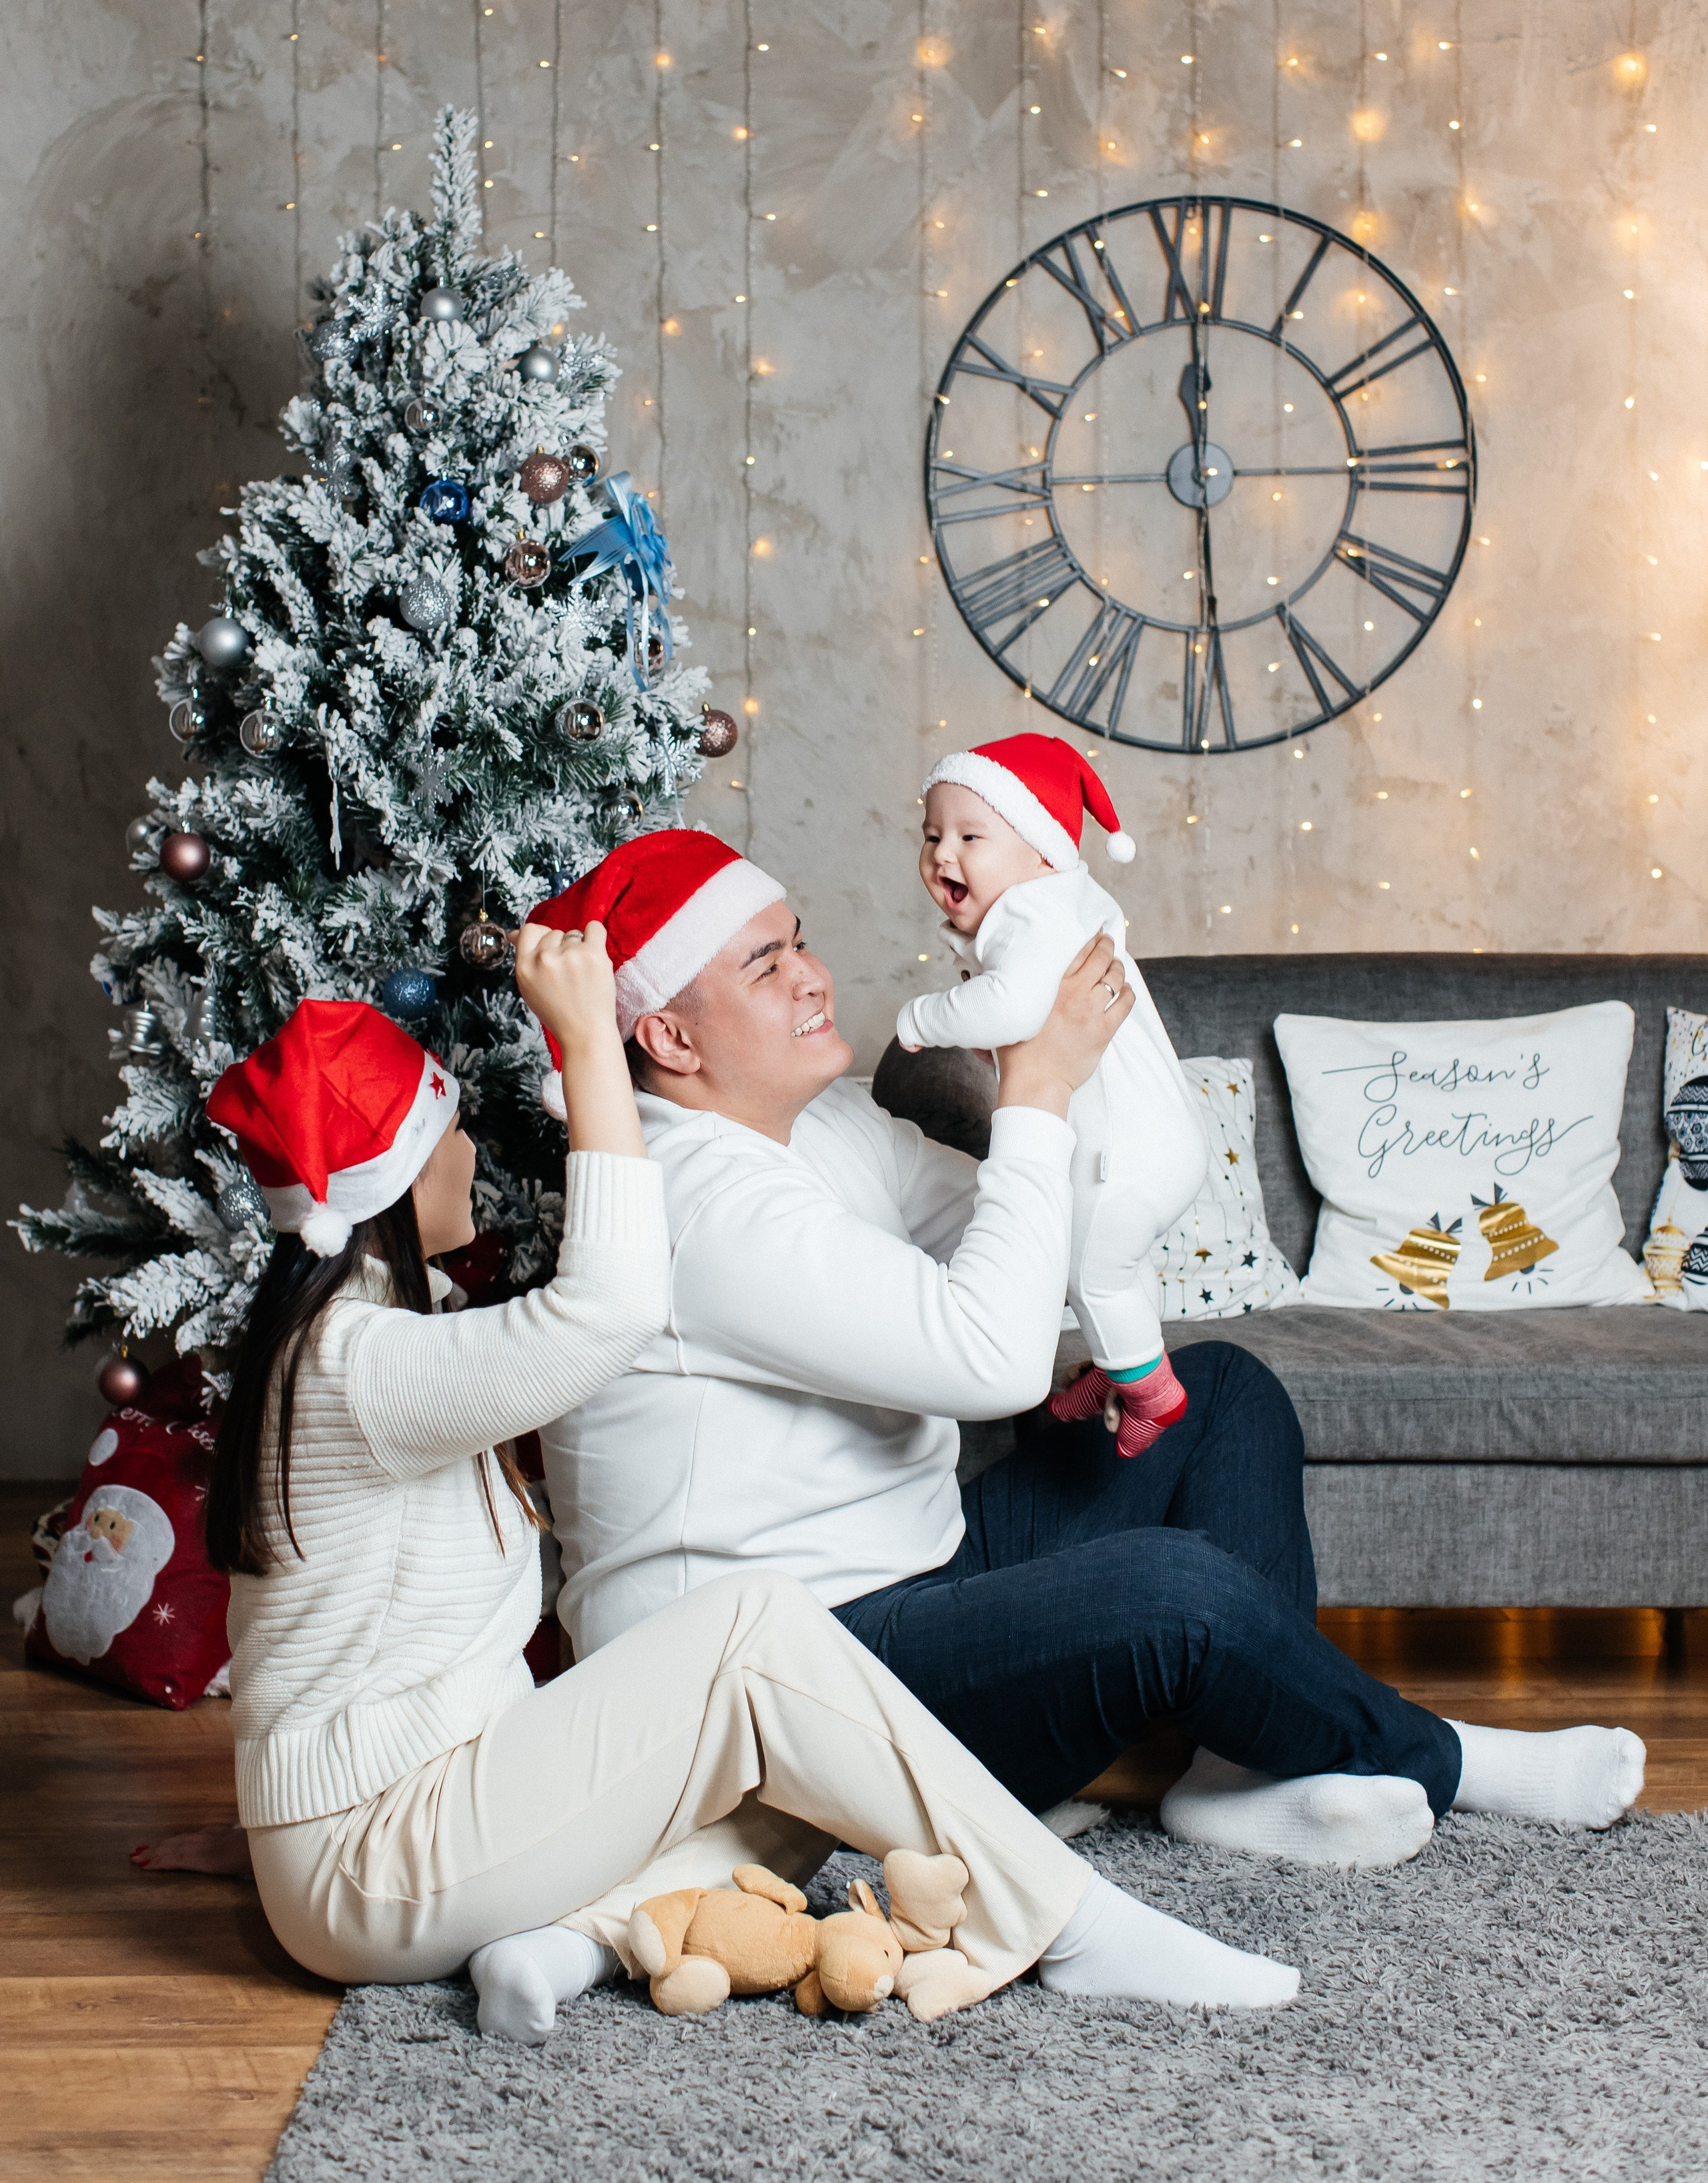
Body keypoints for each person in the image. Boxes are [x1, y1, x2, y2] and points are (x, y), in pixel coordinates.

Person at [199, 929, 1304, 2046]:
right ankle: (1066, 1924)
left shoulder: (373, 1332)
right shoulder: (358, 1367)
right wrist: (588, 1043)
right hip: (375, 1867)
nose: (472, 1148)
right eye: (448, 1134)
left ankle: (579, 1938)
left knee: (796, 1762)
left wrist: (265, 1828)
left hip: (423, 1821)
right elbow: (612, 1308)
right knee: (757, 1630)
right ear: (391, 1183)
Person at [535, 829, 1648, 1874]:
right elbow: (990, 1358)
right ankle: (1446, 1758)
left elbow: (1034, 1240)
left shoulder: (823, 1128)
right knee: (1173, 1594)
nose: (815, 977)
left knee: (1218, 1391)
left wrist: (1081, 1068)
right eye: (766, 964)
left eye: (801, 942)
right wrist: (1039, 1082)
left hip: (914, 1574)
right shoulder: (693, 1204)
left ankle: (1234, 1775)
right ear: (670, 1038)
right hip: (787, 1694)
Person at [895, 731, 1208, 1458]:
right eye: (933, 835)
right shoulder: (1059, 907)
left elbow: (1009, 1009)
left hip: (1126, 1157)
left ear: (1040, 853)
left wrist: (923, 1017)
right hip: (1149, 1145)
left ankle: (1153, 1395)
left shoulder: (1030, 913)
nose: (944, 854)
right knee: (1107, 1263)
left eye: (971, 836)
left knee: (1091, 1274)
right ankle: (1110, 1366)